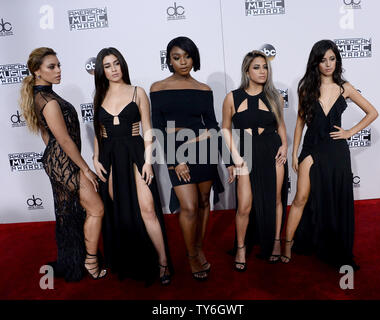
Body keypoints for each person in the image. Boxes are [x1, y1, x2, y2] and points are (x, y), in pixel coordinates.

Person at [282, 40, 378, 269]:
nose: (328, 64)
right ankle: (286, 243)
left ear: (337, 60)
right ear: (316, 62)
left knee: (336, 199)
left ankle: (333, 244)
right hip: (312, 147)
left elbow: (372, 112)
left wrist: (350, 132)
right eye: (323, 60)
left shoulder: (345, 87)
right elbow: (299, 123)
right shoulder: (306, 87)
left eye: (332, 59)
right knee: (301, 198)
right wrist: (294, 153)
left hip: (336, 150)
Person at [19, 47, 107, 281]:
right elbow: (64, 140)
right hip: (63, 162)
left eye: (59, 65)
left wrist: (54, 160)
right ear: (37, 71)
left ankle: (75, 260)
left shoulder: (41, 96)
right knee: (96, 209)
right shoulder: (49, 100)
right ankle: (89, 261)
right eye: (52, 67)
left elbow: (46, 136)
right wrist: (85, 169)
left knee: (69, 214)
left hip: (57, 161)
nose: (58, 70)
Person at [150, 36, 228, 281]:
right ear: (169, 60)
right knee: (189, 206)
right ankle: (191, 255)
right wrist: (175, 159)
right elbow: (159, 128)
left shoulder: (204, 90)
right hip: (177, 153)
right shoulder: (158, 88)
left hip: (204, 151)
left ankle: (198, 248)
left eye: (187, 56)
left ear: (194, 58)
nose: (183, 62)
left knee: (204, 201)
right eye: (176, 57)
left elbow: (213, 125)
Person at [92, 47, 172, 285]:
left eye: (116, 63)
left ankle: (163, 262)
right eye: (107, 66)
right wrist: (96, 158)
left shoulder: (138, 92)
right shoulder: (99, 96)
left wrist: (147, 160)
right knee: (120, 210)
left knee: (148, 210)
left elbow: (148, 129)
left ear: (122, 64)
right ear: (101, 71)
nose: (113, 69)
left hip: (136, 152)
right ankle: (131, 261)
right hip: (110, 156)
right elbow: (99, 132)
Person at [222, 50, 289, 271]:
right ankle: (241, 246)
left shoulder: (275, 97)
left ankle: (276, 242)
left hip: (272, 150)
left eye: (265, 67)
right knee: (244, 206)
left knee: (276, 200)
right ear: (247, 71)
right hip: (246, 153)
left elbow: (280, 126)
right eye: (257, 67)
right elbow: (225, 128)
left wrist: (285, 146)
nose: (262, 71)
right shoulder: (232, 97)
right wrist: (236, 157)